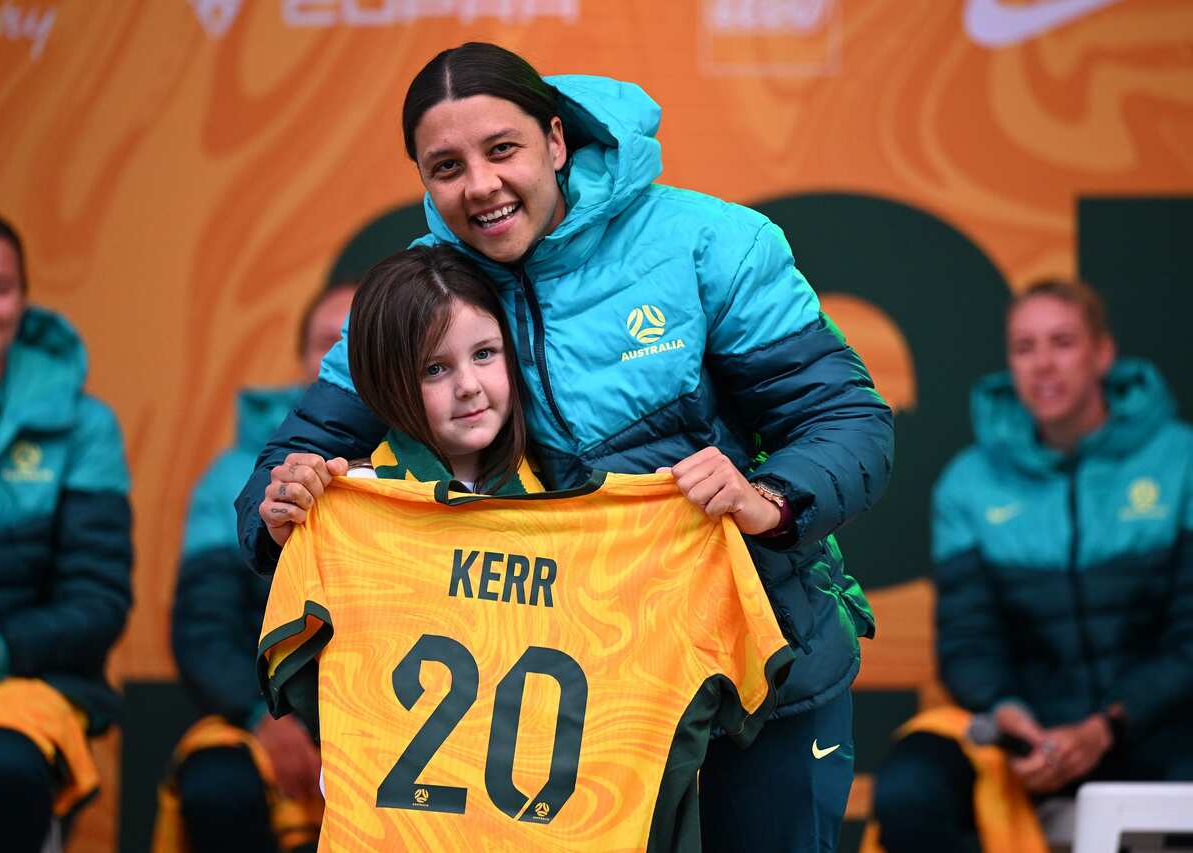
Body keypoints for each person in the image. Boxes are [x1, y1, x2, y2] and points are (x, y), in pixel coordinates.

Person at [237, 42, 894, 850]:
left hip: (766, 680)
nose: (479, 184)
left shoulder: (712, 243)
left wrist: (770, 499)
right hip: (580, 721)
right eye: (445, 167)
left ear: (555, 140)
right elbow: (287, 462)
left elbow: (849, 421)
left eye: (501, 149)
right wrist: (279, 502)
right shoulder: (419, 291)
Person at [257, 243, 795, 851]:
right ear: (385, 381)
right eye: (434, 369)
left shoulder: (608, 521)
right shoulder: (340, 509)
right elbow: (311, 695)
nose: (468, 386)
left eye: (485, 354)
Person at [868, 279, 1193, 853]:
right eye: (1025, 347)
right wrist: (1013, 717)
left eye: (1063, 342)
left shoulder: (1179, 460)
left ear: (1103, 352)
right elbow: (968, 644)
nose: (1043, 365)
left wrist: (1106, 728)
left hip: (1158, 733)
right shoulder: (969, 482)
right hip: (1030, 745)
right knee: (911, 785)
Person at [0, 205, 133, 852]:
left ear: (23, 302)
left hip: (19, 683)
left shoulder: (85, 427)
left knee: (5, 771)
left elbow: (98, 604)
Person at [156, 282, 356, 853]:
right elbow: (204, 627)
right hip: (260, 711)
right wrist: (260, 715)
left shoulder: (424, 463)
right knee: (217, 787)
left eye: (361, 339)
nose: (346, 354)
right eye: (329, 341)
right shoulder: (234, 475)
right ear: (302, 360)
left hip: (384, 716)